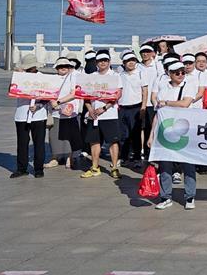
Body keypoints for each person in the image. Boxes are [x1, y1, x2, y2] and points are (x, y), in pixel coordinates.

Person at [153, 61, 200, 210]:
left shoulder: (189, 85)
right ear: (169, 74)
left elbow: (185, 103)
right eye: (176, 72)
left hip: (185, 130)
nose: (180, 75)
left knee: (188, 165)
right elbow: (158, 114)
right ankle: (165, 197)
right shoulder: (163, 88)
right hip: (166, 129)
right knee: (165, 166)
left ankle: (190, 196)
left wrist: (166, 102)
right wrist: (151, 135)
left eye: (182, 72)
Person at [80, 51, 124, 180]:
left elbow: (117, 94)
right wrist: (90, 109)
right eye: (100, 60)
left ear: (109, 62)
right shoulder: (91, 76)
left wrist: (104, 108)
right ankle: (95, 167)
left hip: (110, 114)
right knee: (94, 141)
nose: (103, 62)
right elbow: (85, 96)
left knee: (113, 142)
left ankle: (114, 167)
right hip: (94, 115)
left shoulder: (115, 76)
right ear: (96, 62)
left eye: (105, 60)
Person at [11, 54, 49, 179]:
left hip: (38, 115)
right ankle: (21, 168)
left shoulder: (42, 77)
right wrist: (17, 76)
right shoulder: (19, 77)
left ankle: (39, 169)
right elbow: (11, 90)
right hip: (22, 114)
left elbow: (49, 95)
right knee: (22, 143)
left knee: (39, 143)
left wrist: (38, 105)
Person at [52, 57, 85, 171]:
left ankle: (69, 158)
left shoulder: (73, 77)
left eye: (65, 66)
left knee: (69, 136)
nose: (63, 68)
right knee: (54, 135)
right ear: (56, 68)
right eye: (60, 66)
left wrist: (59, 102)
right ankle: (55, 157)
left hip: (69, 111)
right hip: (55, 111)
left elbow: (74, 93)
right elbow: (48, 92)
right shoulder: (53, 78)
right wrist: (52, 102)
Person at [117, 52, 148, 169]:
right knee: (123, 135)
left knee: (135, 134)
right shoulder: (120, 75)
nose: (131, 63)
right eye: (128, 61)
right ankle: (123, 157)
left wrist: (143, 107)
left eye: (133, 60)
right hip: (122, 107)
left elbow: (145, 91)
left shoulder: (140, 73)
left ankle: (137, 158)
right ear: (124, 63)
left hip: (136, 107)